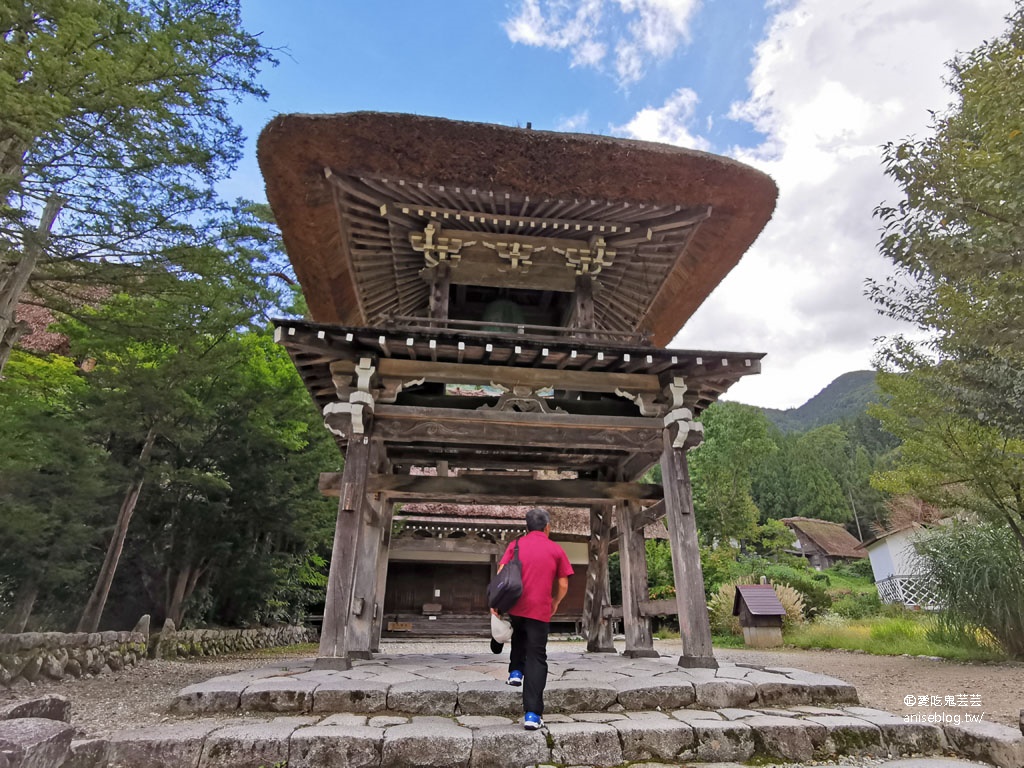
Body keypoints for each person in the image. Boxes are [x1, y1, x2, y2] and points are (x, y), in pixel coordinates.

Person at [492, 507, 573, 730]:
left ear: (526, 527)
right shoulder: (556, 549)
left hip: (516, 604)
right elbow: (564, 583)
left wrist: (498, 603)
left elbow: (501, 572)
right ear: (547, 527)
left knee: (519, 631)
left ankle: (516, 671)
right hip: (540, 610)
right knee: (537, 656)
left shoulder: (515, 545)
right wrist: (555, 602)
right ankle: (532, 714)